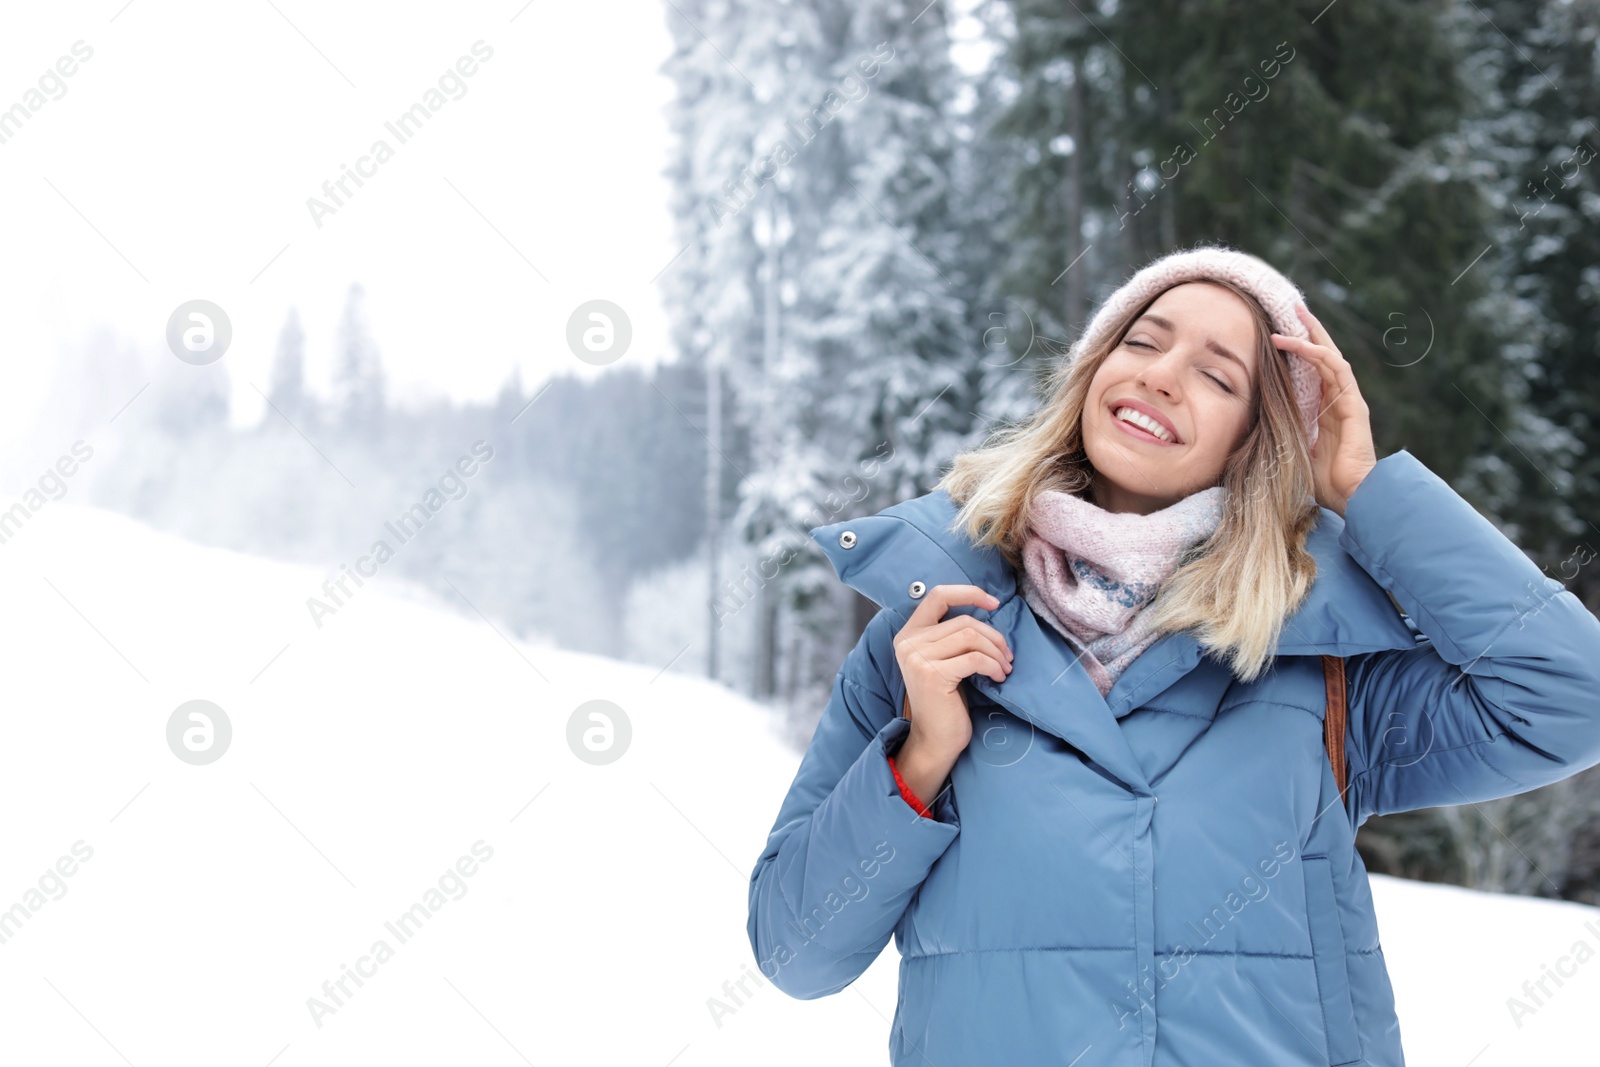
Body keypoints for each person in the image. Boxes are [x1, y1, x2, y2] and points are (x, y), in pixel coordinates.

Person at [744, 242, 1600, 1066]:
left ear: (1253, 441)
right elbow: (797, 951)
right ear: (1092, 374)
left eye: (1216, 374)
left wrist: (1370, 494)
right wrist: (920, 759)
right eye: (1143, 341)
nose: (1161, 372)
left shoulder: (1322, 670)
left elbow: (1572, 695)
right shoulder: (927, 635)